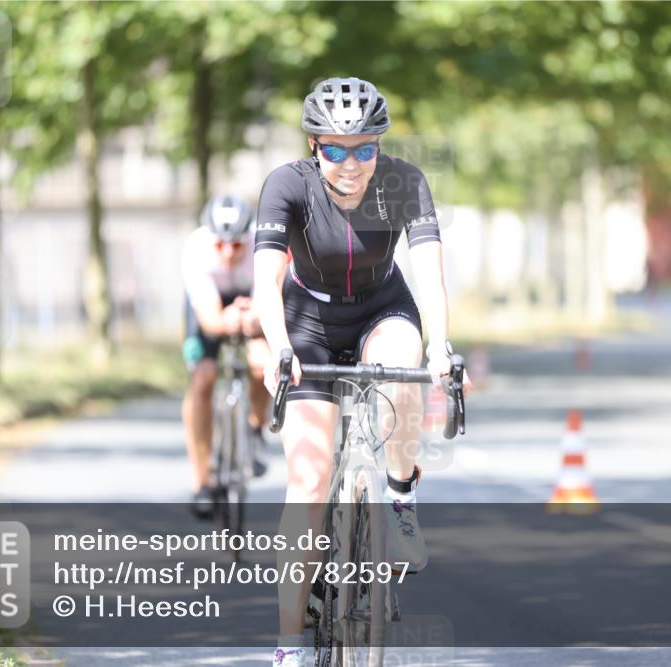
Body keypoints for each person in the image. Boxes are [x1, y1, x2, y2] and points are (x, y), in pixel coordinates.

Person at [254, 77, 469, 667]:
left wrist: (442, 348)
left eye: (365, 149)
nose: (351, 164)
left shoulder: (404, 183)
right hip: (308, 324)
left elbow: (430, 276)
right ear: (313, 145)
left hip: (383, 307)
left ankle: (398, 497)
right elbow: (266, 281)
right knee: (307, 480)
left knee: (403, 368)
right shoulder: (285, 186)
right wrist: (278, 348)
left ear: (380, 145)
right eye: (335, 149)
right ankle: (290, 642)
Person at [181, 194, 270, 519]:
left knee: (262, 364)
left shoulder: (264, 245)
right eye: (221, 244)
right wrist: (226, 321)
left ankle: (256, 425)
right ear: (210, 238)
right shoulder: (196, 249)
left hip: (253, 302)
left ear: (249, 237)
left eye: (237, 245)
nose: (229, 252)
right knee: (203, 378)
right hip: (211, 307)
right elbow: (208, 319)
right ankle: (202, 480)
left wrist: (253, 320)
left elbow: (269, 306)